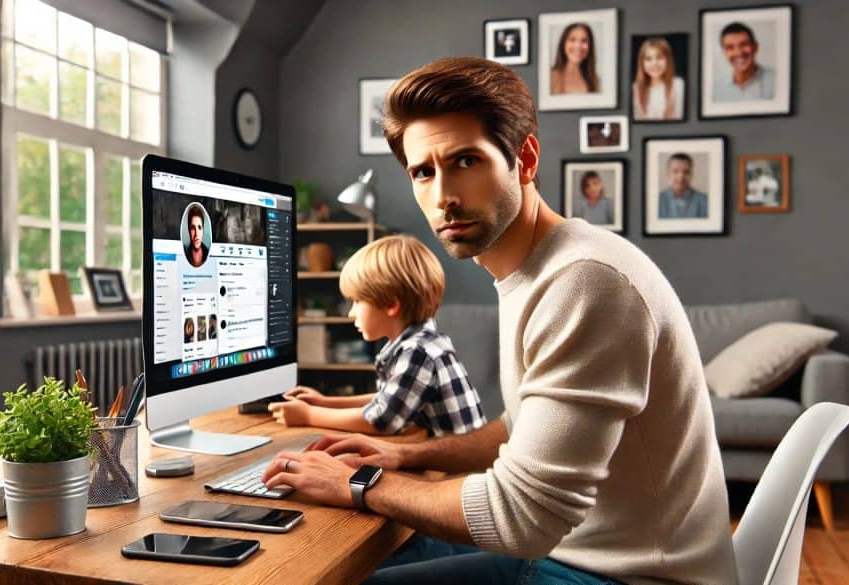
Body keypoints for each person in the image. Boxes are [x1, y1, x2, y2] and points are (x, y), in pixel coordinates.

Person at [262, 57, 737, 584]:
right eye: (424, 171)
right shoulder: (537, 270)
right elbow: (522, 427)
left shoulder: (585, 280)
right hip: (578, 552)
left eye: (466, 161)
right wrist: (398, 455)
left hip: (626, 575)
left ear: (524, 159)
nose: (444, 195)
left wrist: (360, 481)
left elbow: (525, 516)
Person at [269, 235, 487, 438]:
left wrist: (308, 415)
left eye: (356, 301)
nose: (350, 313)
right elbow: (386, 400)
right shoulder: (420, 342)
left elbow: (381, 420)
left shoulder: (419, 353)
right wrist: (325, 402)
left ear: (391, 304)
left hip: (454, 472)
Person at [712, 22, 775, 102]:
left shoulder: (776, 81)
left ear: (755, 47)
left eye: (744, 44)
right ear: (724, 52)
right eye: (730, 47)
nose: (739, 53)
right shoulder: (716, 90)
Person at [632, 37, 684, 120]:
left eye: (659, 57)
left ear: (668, 60)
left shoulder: (678, 85)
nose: (654, 63)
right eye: (648, 59)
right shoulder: (635, 89)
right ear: (642, 63)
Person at [550, 23, 599, 94]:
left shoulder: (595, 80)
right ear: (563, 44)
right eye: (572, 40)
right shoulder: (550, 77)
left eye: (584, 41)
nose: (578, 46)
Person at [658, 153, 709, 219]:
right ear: (668, 174)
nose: (681, 177)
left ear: (692, 174)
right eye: (675, 171)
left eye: (686, 172)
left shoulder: (705, 201)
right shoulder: (658, 201)